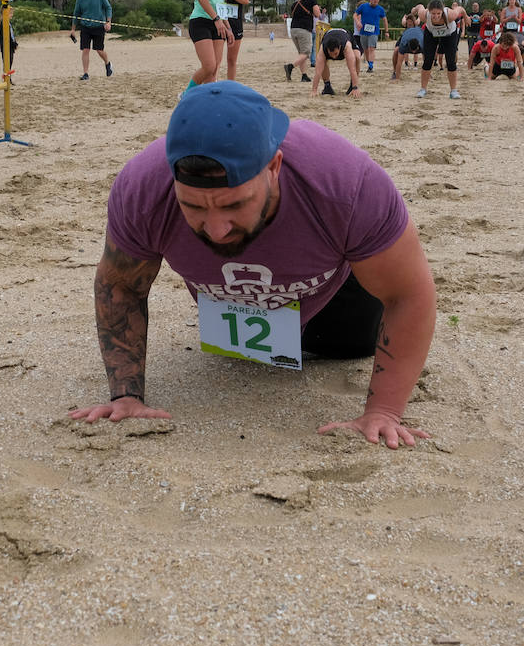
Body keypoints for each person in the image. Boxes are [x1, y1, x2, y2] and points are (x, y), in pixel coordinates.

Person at [67, 82, 437, 450]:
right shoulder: (142, 189)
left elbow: (408, 293)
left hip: (335, 302)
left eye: (233, 205)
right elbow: (121, 285)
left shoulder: (345, 183)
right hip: (229, 306)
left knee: (356, 342)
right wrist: (125, 396)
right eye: (193, 207)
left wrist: (384, 411)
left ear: (274, 166)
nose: (216, 230)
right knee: (242, 352)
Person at [416, 0, 466, 99]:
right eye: (433, 13)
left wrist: (467, 17)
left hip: (449, 34)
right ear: (429, 11)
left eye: (438, 13)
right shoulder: (424, 15)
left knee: (451, 62)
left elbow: (460, 9)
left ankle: (453, 91)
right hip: (431, 33)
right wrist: (414, 9)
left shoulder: (450, 15)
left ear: (442, 11)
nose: (436, 16)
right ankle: (423, 89)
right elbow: (420, 6)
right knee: (428, 60)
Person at [69, 0, 112, 81]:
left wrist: (108, 22)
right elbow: (76, 13)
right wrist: (73, 29)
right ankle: (86, 73)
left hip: (98, 26)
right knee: (85, 50)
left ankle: (107, 63)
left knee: (99, 50)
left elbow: (108, 7)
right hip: (85, 27)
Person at [216, 0, 249, 81]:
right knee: (216, 60)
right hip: (219, 22)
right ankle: (214, 84)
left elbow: (246, 0)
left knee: (232, 59)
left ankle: (231, 86)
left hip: (236, 22)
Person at [311, 27, 365, 97]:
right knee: (322, 62)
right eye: (331, 54)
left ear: (339, 47)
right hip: (328, 34)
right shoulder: (323, 49)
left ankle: (352, 85)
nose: (334, 57)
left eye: (336, 53)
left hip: (345, 34)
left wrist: (355, 88)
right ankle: (327, 86)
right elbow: (318, 72)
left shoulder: (346, 46)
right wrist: (314, 90)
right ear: (327, 49)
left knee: (357, 57)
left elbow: (352, 69)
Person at [284, 0, 319, 82]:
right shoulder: (311, 0)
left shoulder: (295, 3)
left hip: (293, 29)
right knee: (306, 53)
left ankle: (304, 75)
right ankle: (290, 67)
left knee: (301, 54)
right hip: (304, 29)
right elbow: (317, 14)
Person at [354, 0, 388, 72]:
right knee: (365, 49)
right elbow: (355, 15)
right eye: (374, 1)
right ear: (371, 0)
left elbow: (385, 20)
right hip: (363, 31)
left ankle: (371, 66)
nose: (376, 3)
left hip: (374, 32)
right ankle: (369, 64)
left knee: (371, 49)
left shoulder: (380, 9)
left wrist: (386, 31)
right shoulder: (363, 6)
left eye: (377, 2)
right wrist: (358, 22)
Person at [392, 4, 425, 79]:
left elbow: (428, 60)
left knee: (427, 56)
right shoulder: (404, 44)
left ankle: (428, 73)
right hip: (405, 37)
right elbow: (399, 63)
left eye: (411, 21)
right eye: (408, 21)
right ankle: (394, 71)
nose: (409, 23)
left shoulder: (423, 44)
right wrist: (397, 78)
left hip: (418, 37)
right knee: (396, 51)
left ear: (413, 22)